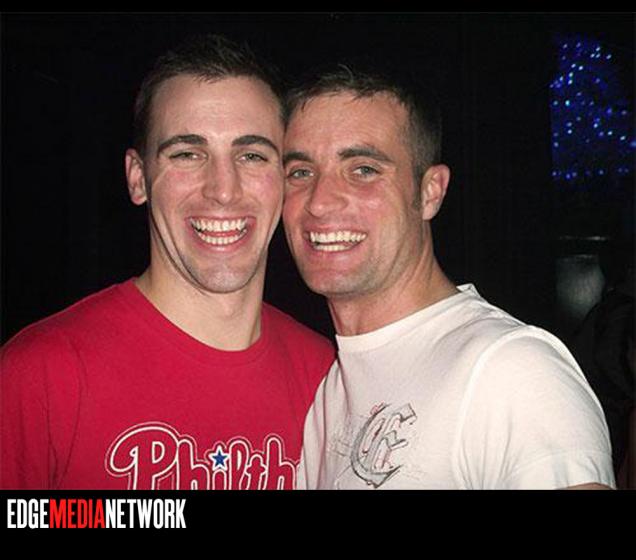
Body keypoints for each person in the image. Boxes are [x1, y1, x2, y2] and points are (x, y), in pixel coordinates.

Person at [0, 35, 334, 490]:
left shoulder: (327, 379)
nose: (223, 189)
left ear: (284, 179)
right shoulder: (39, 375)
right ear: (138, 178)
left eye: (252, 155)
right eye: (187, 154)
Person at [281, 63, 615, 489]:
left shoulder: (512, 372)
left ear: (430, 192)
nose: (320, 202)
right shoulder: (328, 390)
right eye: (300, 172)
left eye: (363, 169)